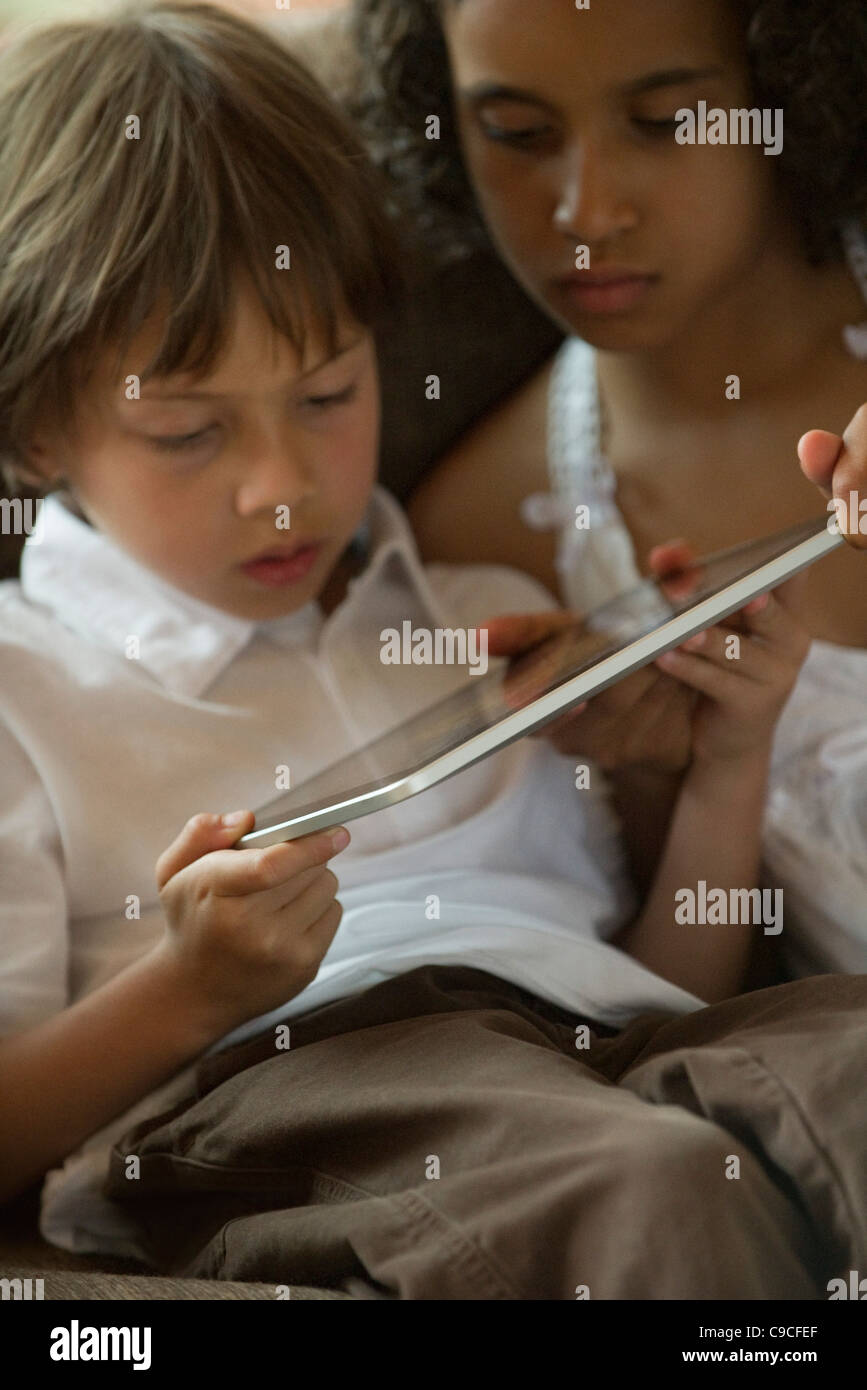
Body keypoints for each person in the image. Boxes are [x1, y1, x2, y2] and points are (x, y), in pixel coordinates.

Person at [0, 1, 864, 1300]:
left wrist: (721, 758)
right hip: (283, 1086)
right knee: (641, 1189)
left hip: (581, 1051)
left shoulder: (478, 611)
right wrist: (191, 985)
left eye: (329, 396)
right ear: (33, 437)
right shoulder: (23, 685)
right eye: (189, 433)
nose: (281, 484)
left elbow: (663, 994)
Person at [353, 0, 867, 977]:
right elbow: (683, 997)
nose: (585, 213)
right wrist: (670, 770)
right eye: (517, 134)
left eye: (666, 122)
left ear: (796, 83)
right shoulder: (492, 534)